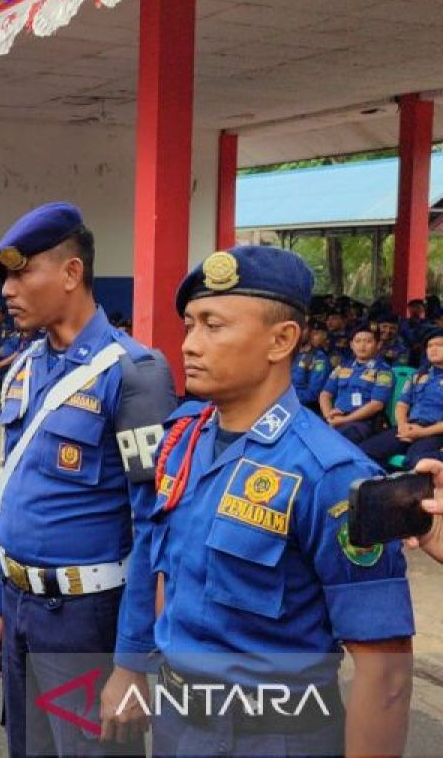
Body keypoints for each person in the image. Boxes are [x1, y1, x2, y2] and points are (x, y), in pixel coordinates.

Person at [116, 246, 413, 757]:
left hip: (270, 738)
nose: (190, 344)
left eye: (214, 325)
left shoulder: (332, 475)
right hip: (177, 726)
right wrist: (135, 665)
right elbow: (165, 570)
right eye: (189, 324)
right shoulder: (183, 440)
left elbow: (384, 672)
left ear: (282, 340)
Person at [0, 203, 176, 758]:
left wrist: (133, 662)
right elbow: (7, 491)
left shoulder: (134, 374)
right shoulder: (22, 369)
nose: (8, 290)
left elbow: (154, 527)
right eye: (5, 278)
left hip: (87, 622)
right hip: (18, 607)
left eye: (21, 273)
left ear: (70, 274)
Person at [360, 328, 443, 467]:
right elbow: (402, 404)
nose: (433, 349)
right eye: (430, 346)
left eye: (439, 345)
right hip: (409, 427)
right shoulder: (418, 375)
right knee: (364, 451)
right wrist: (402, 425)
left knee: (416, 462)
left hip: (435, 432)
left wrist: (422, 432)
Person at [319, 327, 394, 443]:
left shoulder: (383, 371)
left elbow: (376, 405)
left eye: (368, 341)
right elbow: (325, 394)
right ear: (351, 345)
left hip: (363, 423)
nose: (362, 345)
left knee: (332, 441)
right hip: (336, 418)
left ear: (378, 345)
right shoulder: (342, 367)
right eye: (358, 341)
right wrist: (329, 416)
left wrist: (344, 420)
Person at [291, 321, 330, 410]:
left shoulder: (318, 358)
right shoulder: (288, 354)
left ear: (310, 333)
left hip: (303, 408)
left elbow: (313, 393)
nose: (299, 332)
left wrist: (287, 399)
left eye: (303, 329)